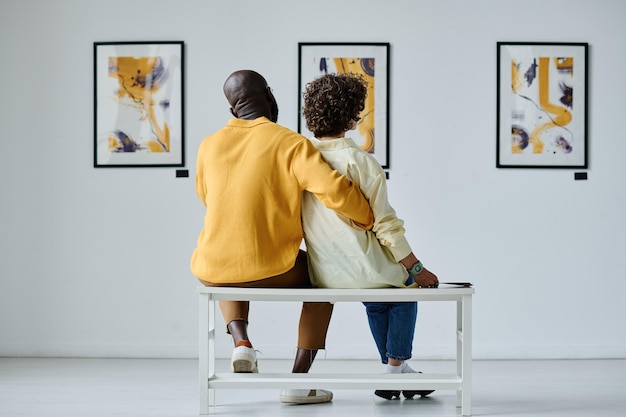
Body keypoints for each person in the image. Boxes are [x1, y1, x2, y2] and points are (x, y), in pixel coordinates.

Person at [190, 70, 374, 405]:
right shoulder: (289, 142)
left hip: (210, 267)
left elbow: (206, 196)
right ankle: (298, 380)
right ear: (270, 97)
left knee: (228, 268)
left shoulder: (209, 145)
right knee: (325, 281)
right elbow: (332, 188)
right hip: (272, 269)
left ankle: (241, 342)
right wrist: (367, 216)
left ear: (233, 110)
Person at [300, 72, 439, 400]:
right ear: (352, 116)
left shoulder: (300, 160)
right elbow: (386, 226)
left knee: (378, 300)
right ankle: (394, 370)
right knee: (404, 286)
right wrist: (418, 269)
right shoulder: (360, 162)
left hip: (322, 273)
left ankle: (399, 371)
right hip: (363, 270)